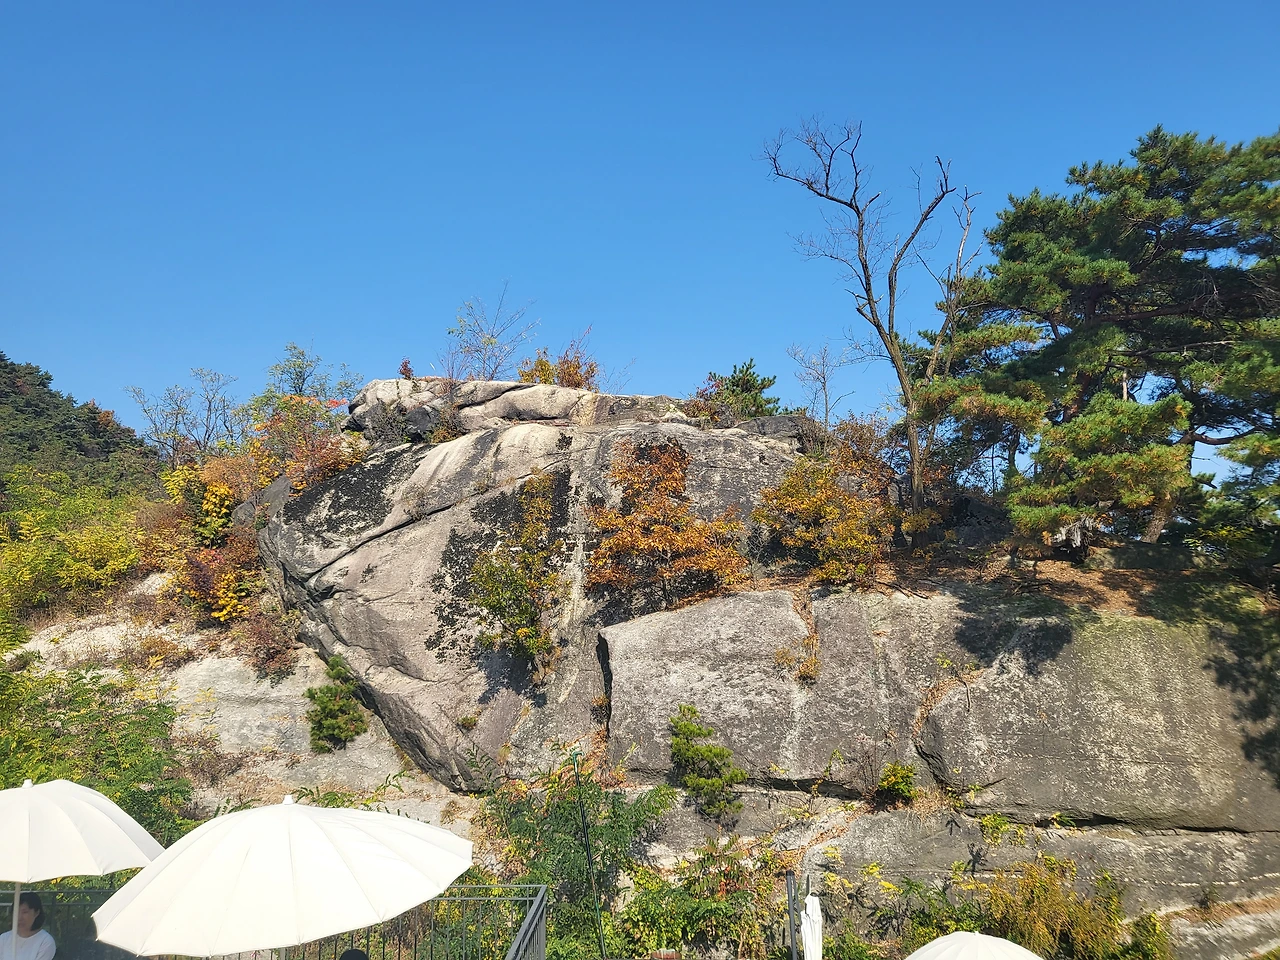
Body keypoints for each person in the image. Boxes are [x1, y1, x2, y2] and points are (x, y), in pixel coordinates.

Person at [0, 893, 56, 960]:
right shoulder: (4, 938)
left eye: (25, 912)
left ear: (36, 913)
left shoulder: (45, 941)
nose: (19, 917)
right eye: (16, 911)